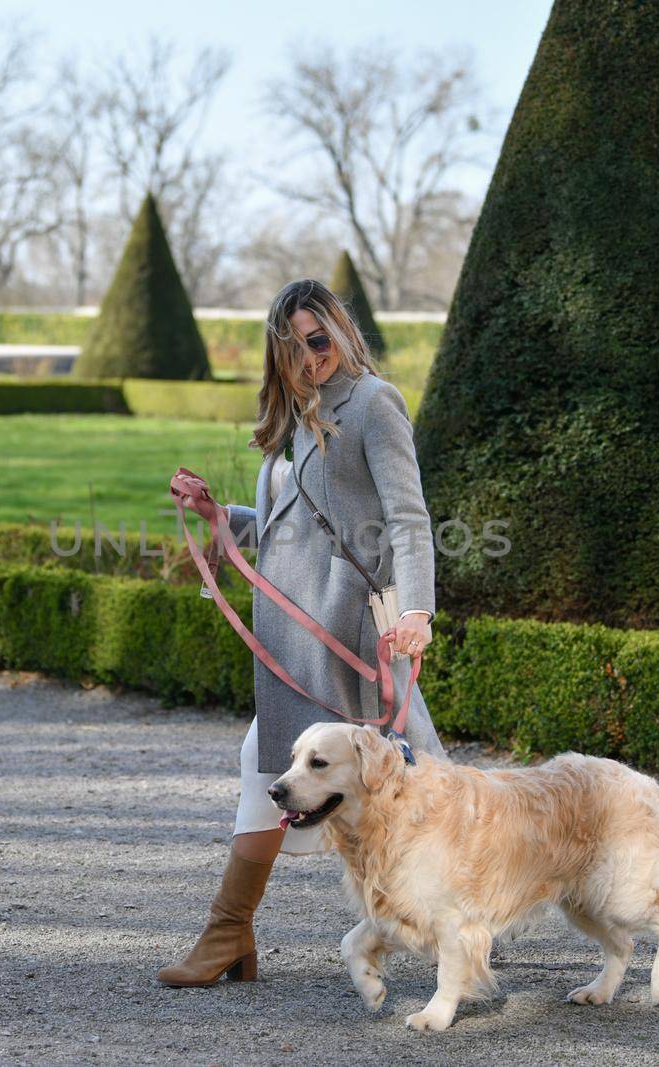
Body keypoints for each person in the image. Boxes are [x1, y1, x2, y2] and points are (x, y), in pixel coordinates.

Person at [157, 277, 447, 987]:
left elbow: (406, 517)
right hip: (298, 637)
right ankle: (232, 931)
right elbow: (290, 531)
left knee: (410, 781)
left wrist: (417, 608)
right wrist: (218, 513)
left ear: (343, 332)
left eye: (319, 339)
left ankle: (232, 930)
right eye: (293, 347)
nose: (309, 356)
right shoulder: (305, 415)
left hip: (343, 635)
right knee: (350, 771)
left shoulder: (373, 404)